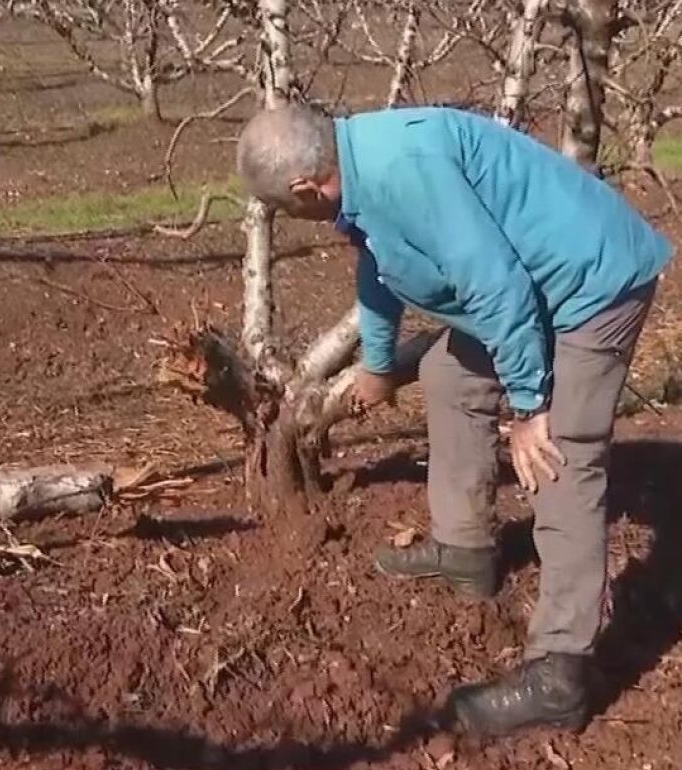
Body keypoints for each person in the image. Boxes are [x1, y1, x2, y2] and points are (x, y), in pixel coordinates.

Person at [235, 103, 673, 738]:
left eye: (286, 207)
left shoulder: (401, 170)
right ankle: (466, 550)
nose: (293, 217)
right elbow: (378, 262)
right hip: (535, 285)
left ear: (306, 188)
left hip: (591, 286)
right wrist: (379, 363)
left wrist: (530, 407)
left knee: (562, 457)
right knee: (448, 372)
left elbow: (498, 289)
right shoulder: (356, 167)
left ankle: (560, 676)